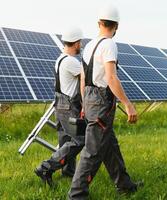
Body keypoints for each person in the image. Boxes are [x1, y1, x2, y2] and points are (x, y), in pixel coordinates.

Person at [68, 4, 142, 199]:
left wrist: (85, 104)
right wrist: (127, 103)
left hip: (90, 97)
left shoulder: (89, 46)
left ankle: (125, 185)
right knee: (93, 151)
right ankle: (76, 195)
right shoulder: (109, 45)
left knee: (109, 144)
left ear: (99, 23)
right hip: (102, 100)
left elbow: (83, 79)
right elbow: (111, 78)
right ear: (116, 26)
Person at [34, 27, 86, 186]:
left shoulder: (60, 59)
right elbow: (84, 81)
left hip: (60, 104)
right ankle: (45, 167)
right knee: (79, 141)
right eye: (80, 43)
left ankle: (69, 171)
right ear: (76, 43)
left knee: (65, 140)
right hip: (69, 106)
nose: (81, 46)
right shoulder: (72, 61)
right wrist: (84, 105)